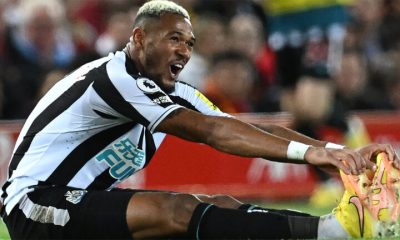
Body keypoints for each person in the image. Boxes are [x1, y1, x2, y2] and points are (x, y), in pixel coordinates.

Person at [0, 1, 399, 239]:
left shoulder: (173, 90)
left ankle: (328, 229)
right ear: (139, 38)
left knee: (218, 207)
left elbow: (249, 128)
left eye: (189, 43)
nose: (185, 51)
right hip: (33, 202)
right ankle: (330, 234)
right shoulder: (115, 77)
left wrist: (335, 151)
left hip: (87, 202)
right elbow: (213, 131)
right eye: (174, 39)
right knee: (173, 211)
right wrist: (313, 157)